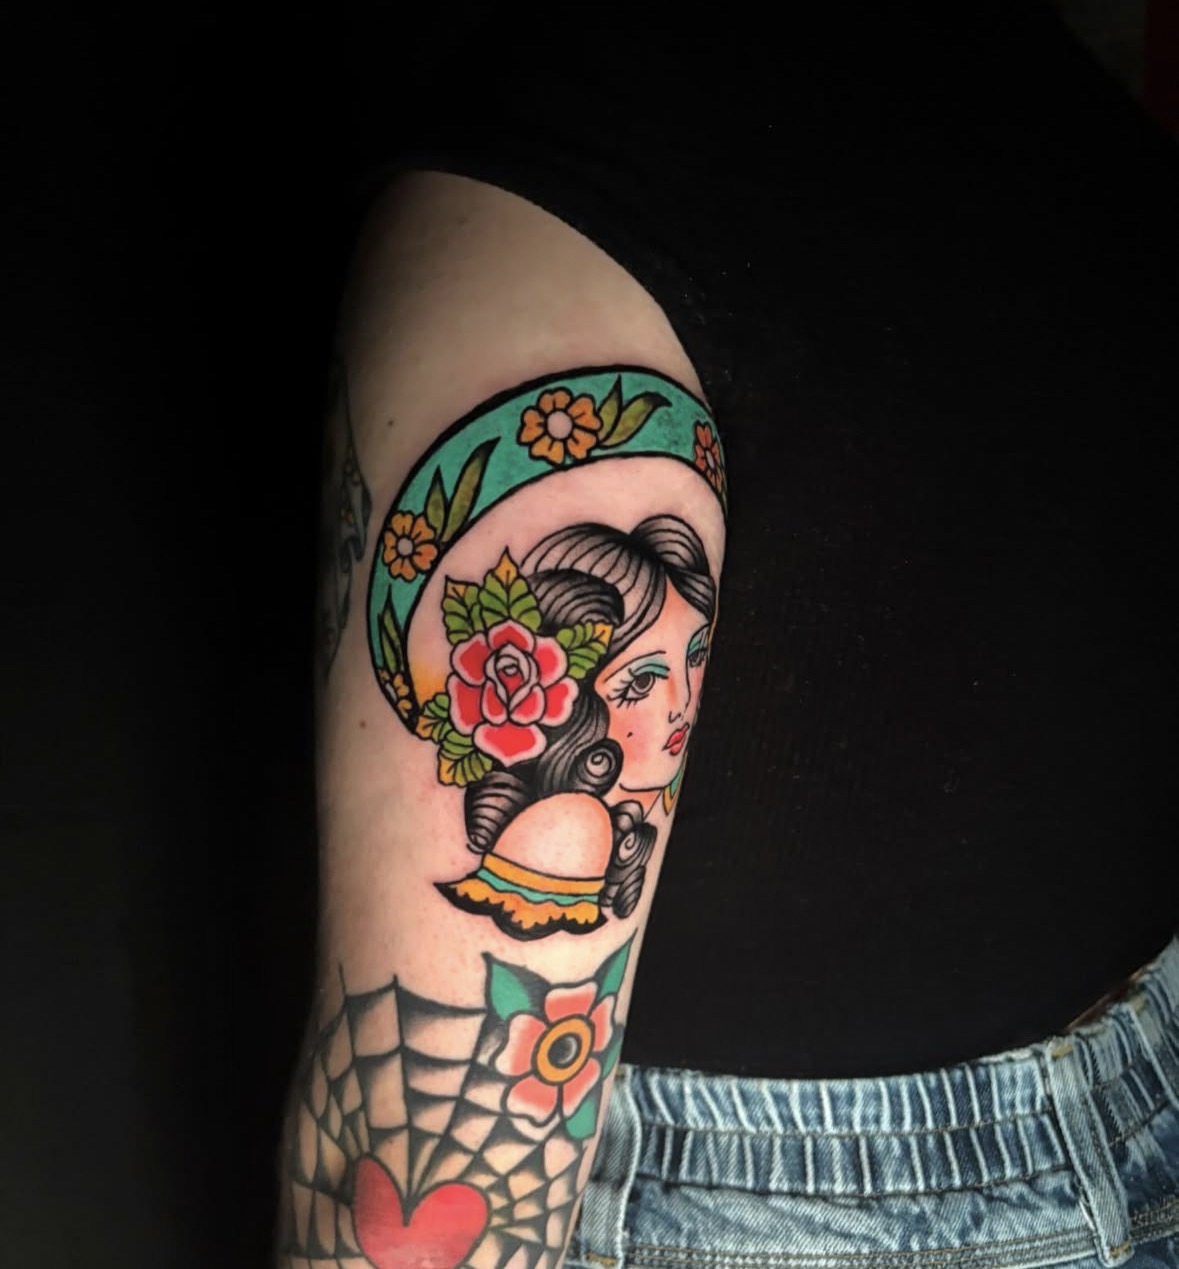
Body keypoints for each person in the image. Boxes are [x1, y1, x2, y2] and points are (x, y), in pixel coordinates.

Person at [278, 5, 1179, 1267]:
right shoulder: (551, 228)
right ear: (540, 701)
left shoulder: (547, 216)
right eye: (643, 672)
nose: (673, 708)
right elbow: (423, 1167)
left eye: (688, 663)